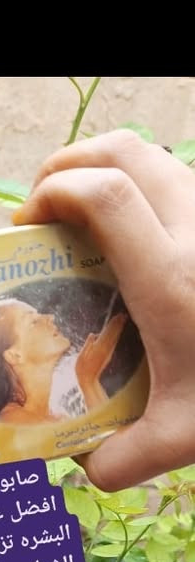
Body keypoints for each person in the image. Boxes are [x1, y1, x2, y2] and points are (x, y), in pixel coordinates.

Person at [12, 128, 195, 491]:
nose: (47, 315)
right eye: (32, 319)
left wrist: (88, 380)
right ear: (12, 355)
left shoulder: (55, 403)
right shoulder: (19, 419)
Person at [0, 296, 126, 424]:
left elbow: (111, 442)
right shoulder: (13, 421)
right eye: (34, 321)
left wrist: (88, 379)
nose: (50, 317)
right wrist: (88, 381)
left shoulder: (56, 417)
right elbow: (114, 446)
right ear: (15, 355)